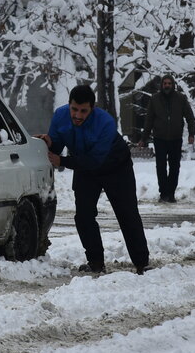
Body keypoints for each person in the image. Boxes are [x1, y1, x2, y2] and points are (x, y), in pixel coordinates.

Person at [36, 85, 149, 275]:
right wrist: (48, 142)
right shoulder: (60, 116)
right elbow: (56, 145)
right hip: (83, 165)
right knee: (83, 216)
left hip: (115, 165)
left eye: (83, 111)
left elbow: (96, 160)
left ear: (92, 108)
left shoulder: (105, 122)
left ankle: (142, 263)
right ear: (69, 105)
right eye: (74, 109)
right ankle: (96, 262)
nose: (78, 115)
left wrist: (63, 161)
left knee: (127, 214)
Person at [137, 75, 195, 203]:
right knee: (161, 167)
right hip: (160, 138)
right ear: (162, 85)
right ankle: (163, 193)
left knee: (175, 167)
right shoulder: (155, 99)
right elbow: (149, 120)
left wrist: (191, 134)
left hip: (175, 138)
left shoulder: (180, 99)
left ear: (173, 85)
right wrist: (144, 138)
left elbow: (190, 117)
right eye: (165, 83)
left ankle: (171, 193)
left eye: (169, 83)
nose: (167, 85)